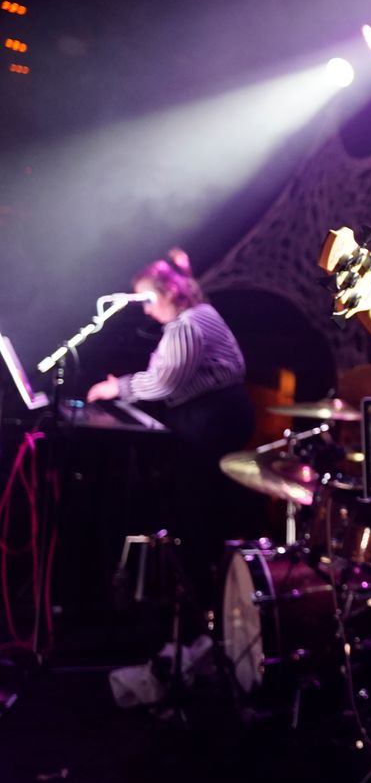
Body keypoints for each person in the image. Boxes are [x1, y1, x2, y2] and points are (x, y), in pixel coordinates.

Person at [85, 248, 255, 602]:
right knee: (202, 507)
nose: (146, 310)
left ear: (169, 293)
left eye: (148, 300)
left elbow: (165, 382)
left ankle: (203, 602)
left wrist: (118, 388)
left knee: (195, 509)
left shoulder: (188, 324)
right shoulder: (200, 314)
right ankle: (207, 596)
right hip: (218, 415)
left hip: (210, 419)